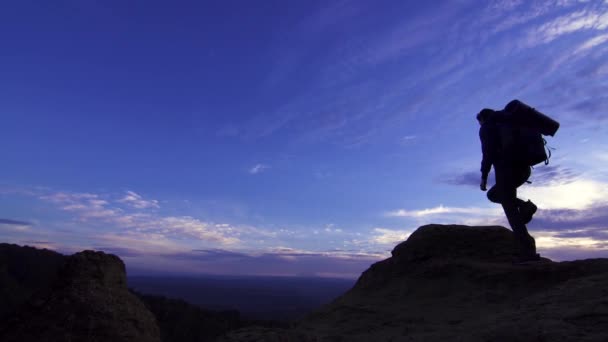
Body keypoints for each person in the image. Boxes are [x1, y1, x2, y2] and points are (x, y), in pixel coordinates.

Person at [477, 108, 540, 263]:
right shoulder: (510, 121)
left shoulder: (487, 126)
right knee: (494, 195)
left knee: (510, 209)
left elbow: (488, 153)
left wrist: (484, 176)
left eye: (479, 122)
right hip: (524, 169)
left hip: (506, 171)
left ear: (483, 119)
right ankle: (526, 206)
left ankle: (527, 253)